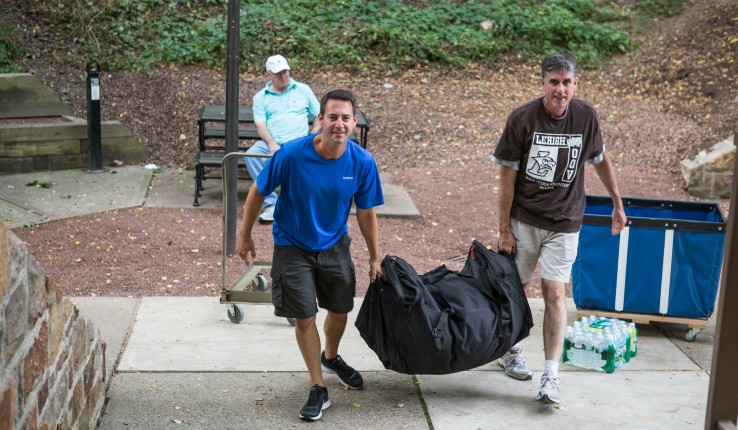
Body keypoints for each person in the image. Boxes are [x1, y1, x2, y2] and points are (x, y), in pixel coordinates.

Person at [236, 89, 384, 421]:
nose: (339, 124)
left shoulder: (362, 161)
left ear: (354, 122)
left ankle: (330, 356)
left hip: (334, 244)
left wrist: (375, 256)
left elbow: (366, 212)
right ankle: (319, 387)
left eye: (345, 117)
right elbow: (258, 190)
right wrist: (244, 235)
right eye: (332, 117)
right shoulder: (291, 155)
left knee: (340, 309)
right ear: (320, 120)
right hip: (292, 245)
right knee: (304, 316)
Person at [491, 51, 627, 404]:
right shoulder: (522, 119)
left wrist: (617, 201)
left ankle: (551, 375)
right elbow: (507, 177)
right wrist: (504, 228)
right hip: (525, 219)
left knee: (554, 291)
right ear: (543, 83)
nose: (560, 89)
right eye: (554, 82)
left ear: (575, 84)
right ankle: (510, 349)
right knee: (517, 288)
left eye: (567, 82)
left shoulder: (585, 116)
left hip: (566, 222)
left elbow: (599, 159)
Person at [245, 54, 322, 224]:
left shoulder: (302, 89)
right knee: (252, 154)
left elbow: (319, 114)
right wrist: (271, 144)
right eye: (279, 73)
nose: (284, 75)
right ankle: (271, 203)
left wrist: (313, 134)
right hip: (273, 143)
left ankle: (295, 204)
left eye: (286, 71)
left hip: (299, 143)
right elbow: (260, 124)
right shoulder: (261, 97)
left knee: (301, 159)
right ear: (269, 75)